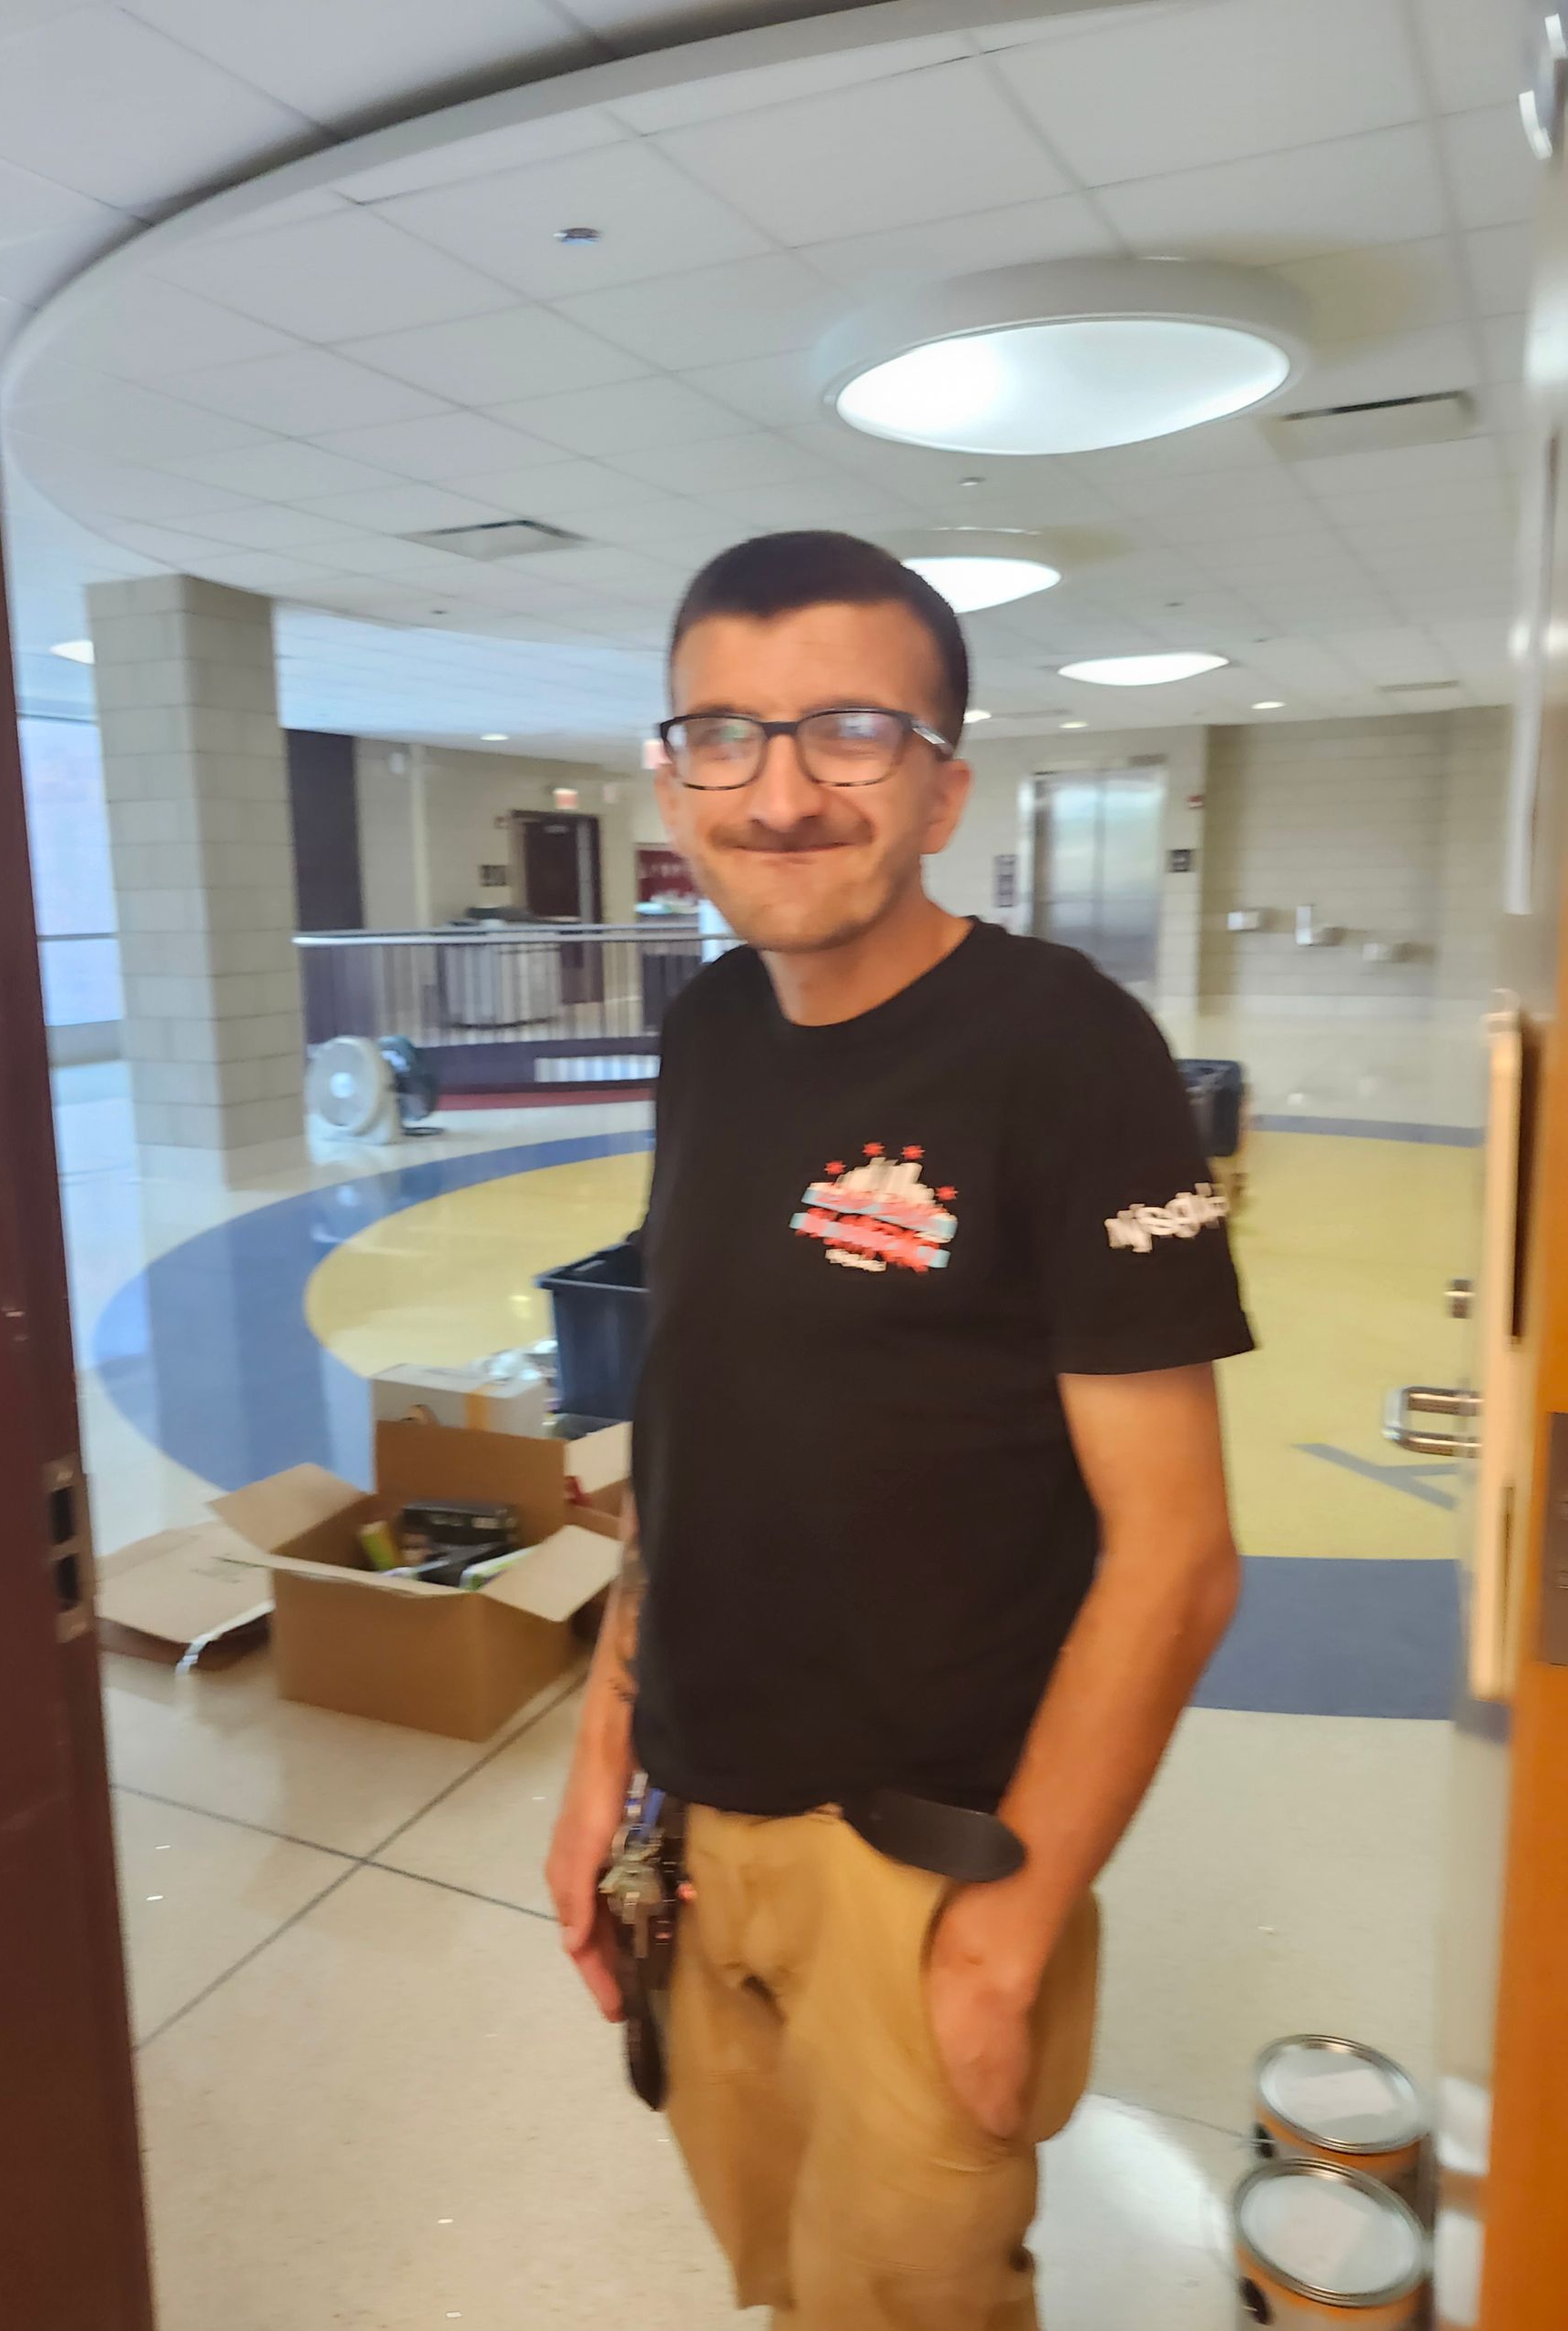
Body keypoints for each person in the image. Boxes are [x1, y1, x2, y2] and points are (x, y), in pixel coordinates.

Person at [547, 530, 1254, 2329]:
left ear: (945, 783)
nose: (781, 792)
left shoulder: (1066, 1050)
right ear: (672, 771)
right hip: (696, 1823)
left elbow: (1178, 1556)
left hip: (924, 1855)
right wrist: (603, 1756)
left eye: (850, 732)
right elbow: (688, 1421)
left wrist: (1013, 1929)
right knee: (777, 2266)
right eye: (726, 733)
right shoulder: (705, 1025)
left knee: (915, 2296)